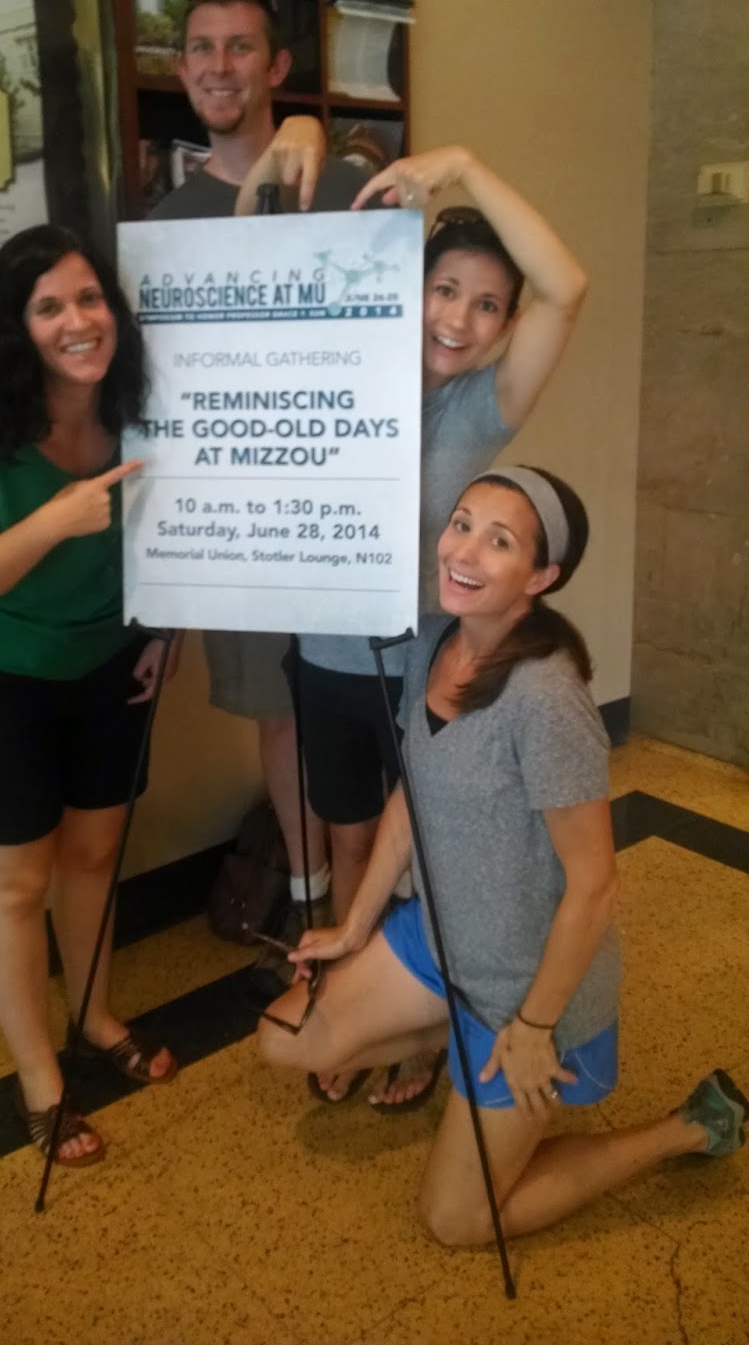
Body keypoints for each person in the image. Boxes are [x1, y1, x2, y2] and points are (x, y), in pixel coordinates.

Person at [258, 466, 748, 1242]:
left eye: (499, 541)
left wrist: (532, 1026)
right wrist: (353, 928)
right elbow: (410, 795)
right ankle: (450, 1033)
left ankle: (688, 1127)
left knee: (456, 1219)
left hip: (527, 984)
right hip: (441, 941)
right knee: (285, 1036)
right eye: (461, 524)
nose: (463, 551)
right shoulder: (433, 642)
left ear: (540, 576)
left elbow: (594, 886)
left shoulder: (545, 698)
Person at [294, 146, 589, 1106]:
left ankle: (422, 1033)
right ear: (409, 289)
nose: (458, 319)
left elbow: (568, 286)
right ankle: (357, 1006)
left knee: (427, 850)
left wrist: (461, 164)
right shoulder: (336, 375)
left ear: (505, 325)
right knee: (350, 842)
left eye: (487, 305)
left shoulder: (482, 407)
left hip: (421, 661)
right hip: (322, 654)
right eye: (445, 290)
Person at [0, 225, 177, 1168]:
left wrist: (165, 634)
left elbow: (173, 535)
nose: (77, 321)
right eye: (49, 307)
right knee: (18, 885)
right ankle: (39, 1076)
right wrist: (53, 522)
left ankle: (95, 1016)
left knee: (95, 857)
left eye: (89, 298)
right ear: (17, 326)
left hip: (111, 667)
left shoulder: (139, 411)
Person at [149, 0, 369, 930]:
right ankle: (311, 913)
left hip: (346, 507)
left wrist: (312, 139)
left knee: (361, 711)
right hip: (241, 524)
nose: (219, 65)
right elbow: (167, 404)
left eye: (239, 46)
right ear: (181, 70)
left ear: (276, 67)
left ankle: (371, 915)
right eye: (201, 48)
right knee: (281, 717)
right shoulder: (166, 229)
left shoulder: (352, 193)